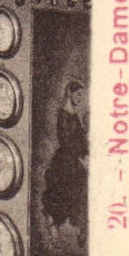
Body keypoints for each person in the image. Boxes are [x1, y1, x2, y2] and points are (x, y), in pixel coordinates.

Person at [42, 79, 87, 229]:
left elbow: (80, 137)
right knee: (65, 190)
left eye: (82, 96)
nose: (80, 98)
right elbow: (66, 140)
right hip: (66, 160)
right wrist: (79, 158)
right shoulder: (64, 115)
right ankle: (53, 220)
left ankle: (78, 225)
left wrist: (85, 153)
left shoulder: (74, 115)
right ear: (70, 94)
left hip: (75, 158)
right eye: (78, 95)